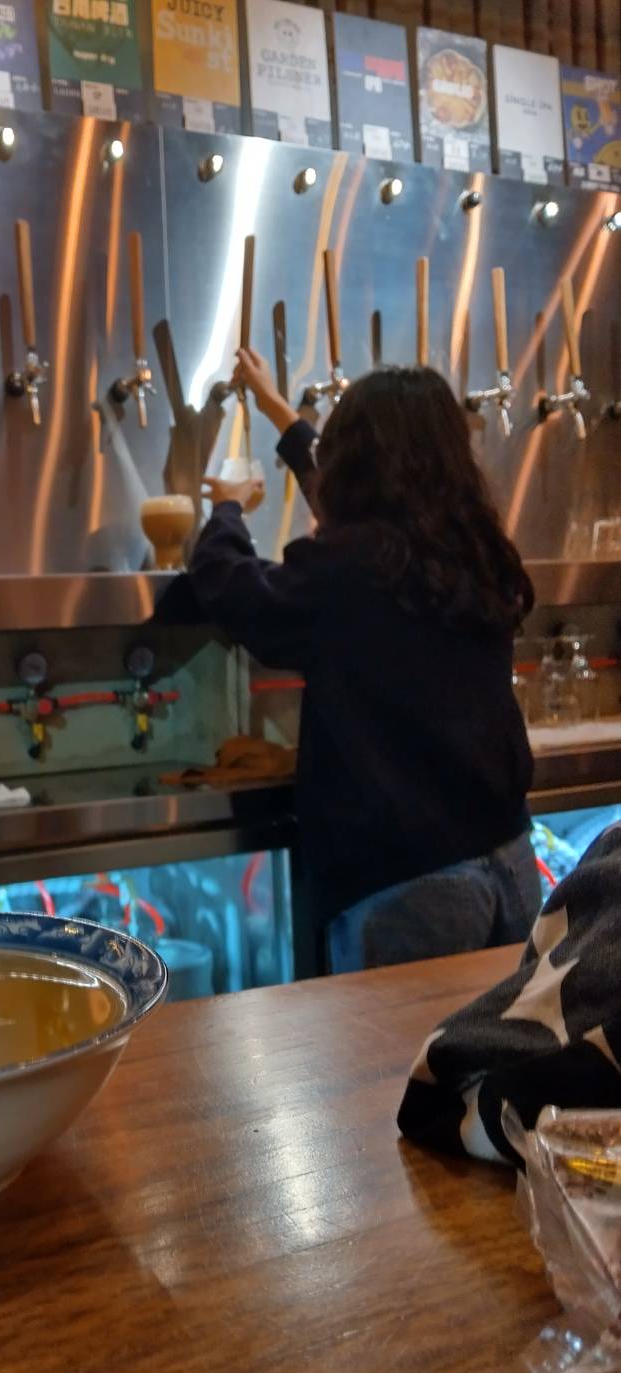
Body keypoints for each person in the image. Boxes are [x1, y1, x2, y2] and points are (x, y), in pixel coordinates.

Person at [177, 349, 541, 973]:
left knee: (402, 1046)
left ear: (353, 465)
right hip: (509, 861)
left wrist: (227, 510)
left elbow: (232, 587)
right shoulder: (476, 552)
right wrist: (276, 410)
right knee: (497, 1037)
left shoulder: (348, 570)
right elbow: (371, 521)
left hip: (413, 887)